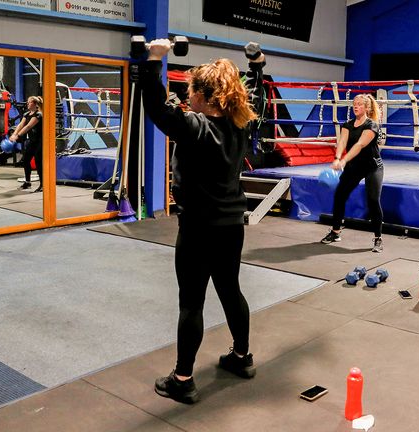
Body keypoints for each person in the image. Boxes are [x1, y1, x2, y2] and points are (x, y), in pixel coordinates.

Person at [141, 39, 265, 404]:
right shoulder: (239, 123)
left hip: (197, 229)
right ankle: (242, 358)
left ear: (203, 96)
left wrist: (154, 59)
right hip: (231, 227)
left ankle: (182, 379)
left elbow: (154, 105)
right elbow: (253, 90)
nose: (186, 94)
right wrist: (256, 64)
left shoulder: (194, 126)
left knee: (191, 304)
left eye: (190, 89)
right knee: (231, 290)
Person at [320, 93, 385, 252]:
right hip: (354, 167)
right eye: (354, 104)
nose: (356, 106)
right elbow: (342, 141)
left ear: (367, 108)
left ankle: (378, 238)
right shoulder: (348, 124)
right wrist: (337, 157)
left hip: (372, 166)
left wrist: (343, 161)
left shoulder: (372, 125)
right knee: (340, 195)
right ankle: (335, 232)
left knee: (373, 199)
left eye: (359, 104)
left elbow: (360, 145)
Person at [9, 96, 44, 192]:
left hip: (41, 141)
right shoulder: (27, 114)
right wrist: (14, 134)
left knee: (38, 163)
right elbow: (21, 125)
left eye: (29, 102)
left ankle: (43, 185)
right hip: (32, 141)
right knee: (25, 160)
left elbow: (28, 126)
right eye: (27, 102)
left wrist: (17, 136)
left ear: (36, 104)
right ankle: (27, 182)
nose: (27, 104)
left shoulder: (39, 115)